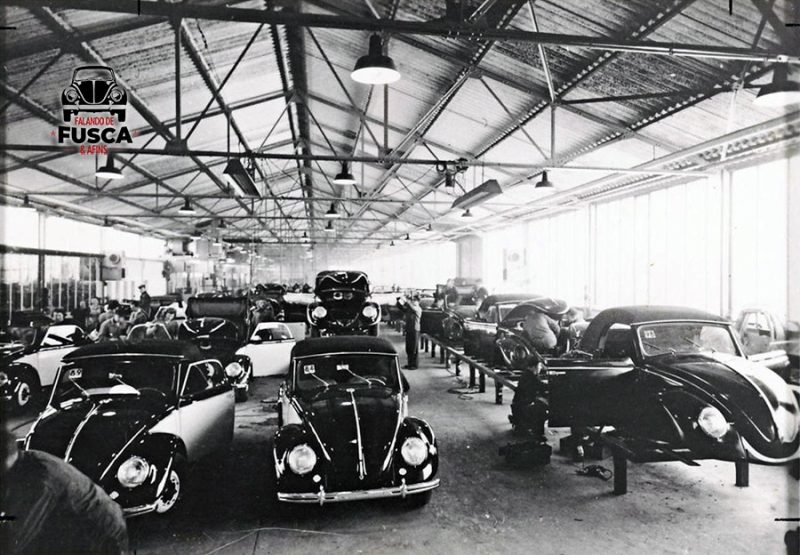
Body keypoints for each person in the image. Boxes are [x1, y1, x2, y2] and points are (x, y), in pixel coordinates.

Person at [0, 423, 129, 555]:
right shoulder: (20, 461)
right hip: (68, 527)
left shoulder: (40, 483)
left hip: (99, 541)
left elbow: (14, 540)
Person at [397, 293, 422, 370]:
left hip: (415, 330)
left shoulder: (418, 309)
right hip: (409, 329)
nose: (413, 301)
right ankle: (410, 364)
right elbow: (401, 307)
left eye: (415, 300)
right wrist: (399, 300)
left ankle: (414, 365)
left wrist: (407, 301)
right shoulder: (410, 309)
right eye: (412, 300)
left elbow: (413, 308)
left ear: (418, 301)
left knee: (414, 348)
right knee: (409, 348)